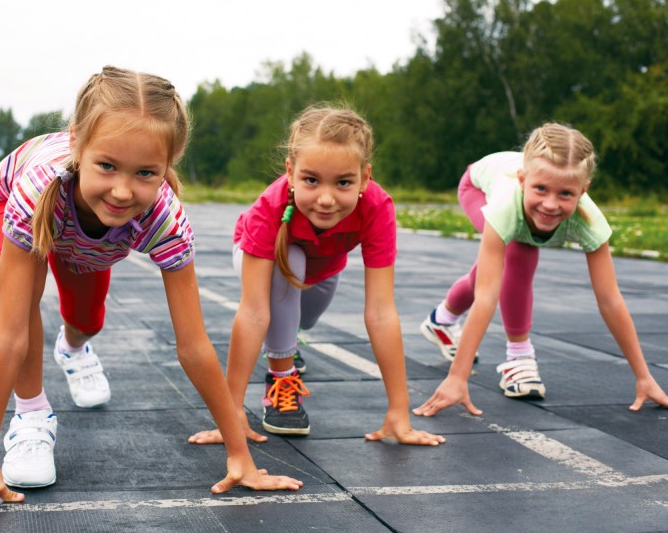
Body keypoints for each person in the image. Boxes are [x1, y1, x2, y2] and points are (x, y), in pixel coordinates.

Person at [0, 66, 302, 505]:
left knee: (86, 321)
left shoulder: (166, 220)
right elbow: (8, 334)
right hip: (14, 205)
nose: (121, 191)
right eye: (107, 166)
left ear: (168, 165)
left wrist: (240, 456)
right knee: (20, 303)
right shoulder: (34, 192)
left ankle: (73, 347)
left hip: (88, 240)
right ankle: (32, 419)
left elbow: (193, 344)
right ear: (78, 144)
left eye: (145, 173)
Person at [189, 105, 445, 446]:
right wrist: (230, 410)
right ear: (291, 173)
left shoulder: (377, 207)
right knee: (288, 270)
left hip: (324, 269)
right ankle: (281, 378)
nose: (326, 199)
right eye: (311, 180)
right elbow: (252, 313)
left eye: (343, 182)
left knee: (300, 321)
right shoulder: (270, 208)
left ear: (364, 178)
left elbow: (381, 312)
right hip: (263, 259)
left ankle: (287, 344)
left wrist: (400, 411)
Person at [413, 122, 668, 417]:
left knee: (497, 262)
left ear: (583, 191)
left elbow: (610, 300)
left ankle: (441, 319)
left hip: (509, 188)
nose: (550, 204)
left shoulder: (590, 221)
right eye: (541, 189)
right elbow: (486, 296)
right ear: (523, 181)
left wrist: (644, 376)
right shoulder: (505, 206)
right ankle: (518, 359)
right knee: (518, 252)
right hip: (476, 186)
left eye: (565, 194)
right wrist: (457, 378)